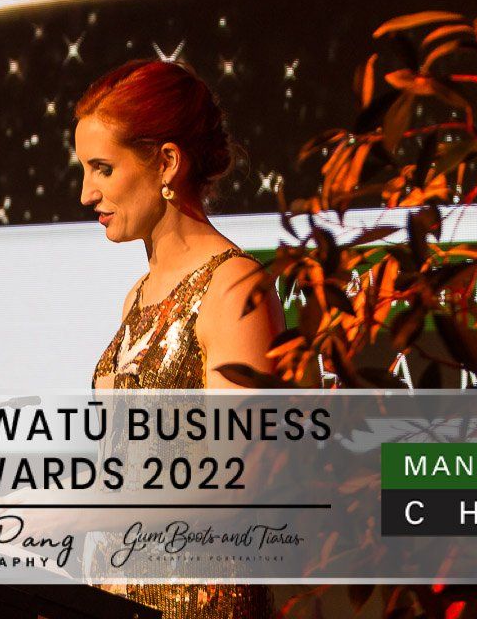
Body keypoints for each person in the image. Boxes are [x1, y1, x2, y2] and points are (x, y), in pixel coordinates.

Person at [78, 58, 282, 619]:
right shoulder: (137, 297)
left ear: (167, 162)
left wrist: (65, 510)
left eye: (102, 169)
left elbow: (237, 480)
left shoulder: (234, 286)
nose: (86, 193)